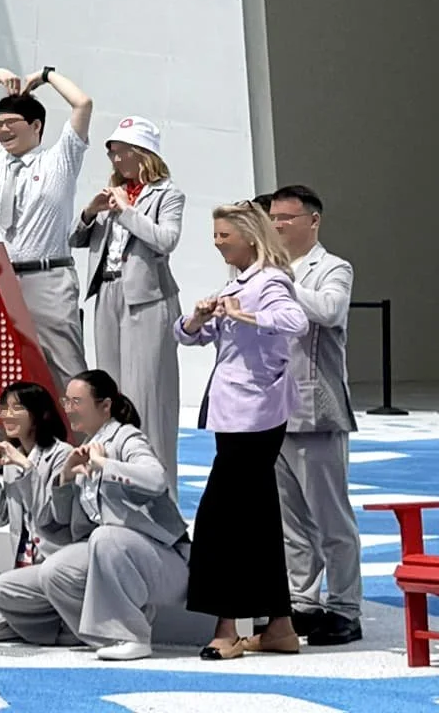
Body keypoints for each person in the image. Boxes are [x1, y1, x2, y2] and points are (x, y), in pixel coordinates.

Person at [176, 199, 310, 660]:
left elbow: (295, 321)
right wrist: (199, 318)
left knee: (221, 519)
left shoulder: (269, 280)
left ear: (249, 237)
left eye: (223, 236)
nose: (217, 245)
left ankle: (227, 625)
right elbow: (191, 335)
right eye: (215, 236)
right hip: (235, 412)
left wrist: (241, 314)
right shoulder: (238, 282)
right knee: (256, 516)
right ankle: (279, 624)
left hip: (255, 413)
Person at [0, 370, 189, 660]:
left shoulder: (125, 437)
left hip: (162, 559)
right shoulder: (79, 452)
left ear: (105, 406)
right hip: (105, 556)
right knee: (15, 590)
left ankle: (131, 633)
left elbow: (156, 479)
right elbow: (60, 518)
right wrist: (65, 480)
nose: (69, 409)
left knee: (99, 539)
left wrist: (104, 465)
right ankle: (91, 632)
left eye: (77, 401)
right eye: (67, 401)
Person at [266, 184, 361, 645]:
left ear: (313, 220)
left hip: (316, 406)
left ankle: (345, 606)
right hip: (272, 408)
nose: (278, 225)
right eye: (274, 218)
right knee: (292, 520)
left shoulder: (333, 268)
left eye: (286, 217)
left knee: (331, 517)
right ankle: (303, 600)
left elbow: (330, 309)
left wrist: (279, 281)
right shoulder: (264, 269)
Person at [0, 67, 92, 385]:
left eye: (10, 123)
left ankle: (80, 436)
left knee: (66, 368)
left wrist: (46, 76)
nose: (1, 130)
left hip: (49, 278)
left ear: (36, 126)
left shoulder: (60, 159)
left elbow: (82, 104)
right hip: (2, 279)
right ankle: (5, 436)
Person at [71, 117, 185, 480]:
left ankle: (157, 485)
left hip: (148, 296)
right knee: (111, 389)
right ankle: (114, 476)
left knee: (149, 394)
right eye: (113, 154)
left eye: (121, 153)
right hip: (107, 290)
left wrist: (126, 211)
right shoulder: (112, 195)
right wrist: (91, 212)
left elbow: (165, 241)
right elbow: (75, 238)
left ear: (143, 154)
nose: (116, 161)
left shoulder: (167, 194)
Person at [0, 379, 75, 571]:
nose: (7, 415)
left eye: (17, 408)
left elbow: (47, 516)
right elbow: (1, 518)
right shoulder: (13, 458)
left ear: (39, 414)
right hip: (22, 562)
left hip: (53, 561)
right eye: (4, 408)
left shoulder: (62, 454)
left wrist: (25, 466)